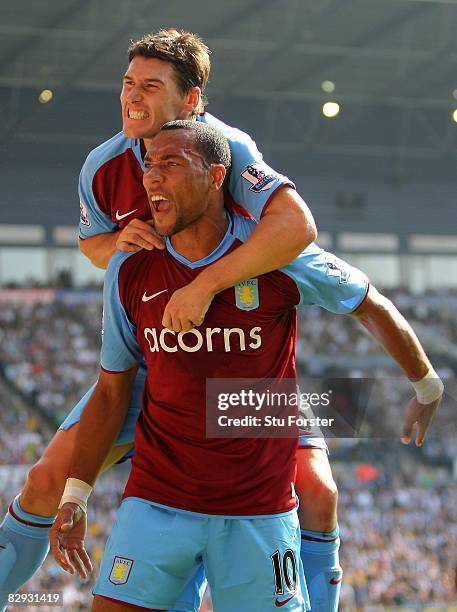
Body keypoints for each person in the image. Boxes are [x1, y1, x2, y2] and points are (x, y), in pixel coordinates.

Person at [0, 28, 337, 612]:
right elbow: (95, 247)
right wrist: (120, 245)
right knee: (46, 481)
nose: (132, 97)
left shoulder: (228, 152)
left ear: (192, 100)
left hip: (242, 374)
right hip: (160, 363)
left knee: (317, 488)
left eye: (151, 87)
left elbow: (297, 227)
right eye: (128, 83)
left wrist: (205, 285)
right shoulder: (102, 166)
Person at [50, 120, 442, 612]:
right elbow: (111, 392)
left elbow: (369, 302)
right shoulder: (130, 268)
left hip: (258, 512)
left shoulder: (277, 257)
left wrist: (426, 385)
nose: (151, 178)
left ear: (217, 176)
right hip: (156, 503)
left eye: (170, 164)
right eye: (148, 166)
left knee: (321, 489)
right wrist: (76, 494)